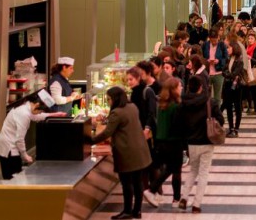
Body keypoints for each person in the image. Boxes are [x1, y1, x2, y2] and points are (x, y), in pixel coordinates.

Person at [92, 86, 152, 220]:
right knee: (137, 182)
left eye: (108, 99)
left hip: (127, 152)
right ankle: (137, 211)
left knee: (126, 183)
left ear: (115, 98)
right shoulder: (132, 107)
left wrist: (90, 141)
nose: (108, 102)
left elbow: (108, 132)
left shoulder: (117, 112)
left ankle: (127, 211)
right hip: (140, 150)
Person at [177, 74, 224, 213]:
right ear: (201, 87)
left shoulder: (183, 103)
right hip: (206, 142)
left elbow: (180, 124)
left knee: (193, 170)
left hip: (191, 143)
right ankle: (196, 204)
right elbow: (220, 120)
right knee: (203, 173)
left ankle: (184, 197)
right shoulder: (210, 102)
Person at [0, 94, 65, 180]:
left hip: (9, 145)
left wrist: (54, 115)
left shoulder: (26, 105)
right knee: (12, 179)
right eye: (40, 111)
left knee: (16, 178)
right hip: (9, 147)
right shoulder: (23, 113)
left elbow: (35, 116)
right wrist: (25, 154)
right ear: (37, 105)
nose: (40, 113)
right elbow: (19, 139)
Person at [143, 78, 183, 209]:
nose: (181, 88)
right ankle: (152, 190)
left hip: (161, 141)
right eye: (179, 86)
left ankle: (176, 199)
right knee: (173, 169)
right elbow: (177, 126)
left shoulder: (162, 105)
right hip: (173, 142)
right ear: (173, 89)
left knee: (173, 169)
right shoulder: (176, 106)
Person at [222, 41, 247, 137]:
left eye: (229, 48)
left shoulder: (239, 61)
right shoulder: (229, 59)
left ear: (234, 49)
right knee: (228, 107)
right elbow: (223, 70)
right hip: (228, 85)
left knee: (237, 107)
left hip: (237, 86)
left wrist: (227, 74)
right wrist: (227, 74)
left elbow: (234, 74)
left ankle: (236, 129)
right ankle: (230, 128)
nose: (227, 49)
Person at [202, 29, 229, 104]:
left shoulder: (222, 45)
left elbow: (226, 58)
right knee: (207, 94)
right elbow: (202, 57)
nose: (214, 42)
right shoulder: (205, 45)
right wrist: (206, 61)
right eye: (212, 40)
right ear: (209, 38)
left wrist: (219, 61)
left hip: (219, 73)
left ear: (218, 38)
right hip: (207, 72)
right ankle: (208, 112)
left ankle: (217, 112)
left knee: (217, 96)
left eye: (215, 40)